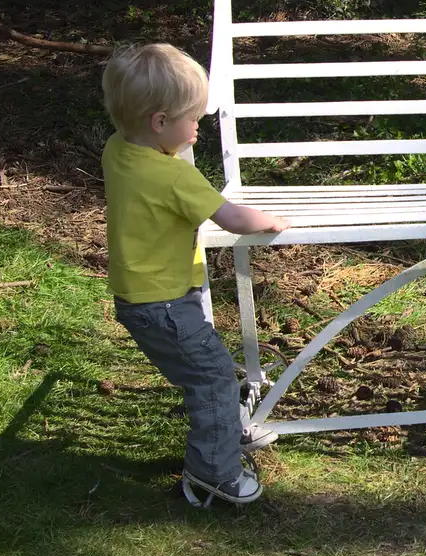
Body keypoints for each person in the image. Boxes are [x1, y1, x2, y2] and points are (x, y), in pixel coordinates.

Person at [100, 43, 289, 505]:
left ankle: (222, 437)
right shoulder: (174, 177)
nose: (198, 130)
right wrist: (272, 219)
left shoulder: (118, 150)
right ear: (159, 123)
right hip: (164, 304)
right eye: (194, 121)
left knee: (207, 375)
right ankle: (213, 476)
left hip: (139, 297)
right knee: (213, 379)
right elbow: (234, 220)